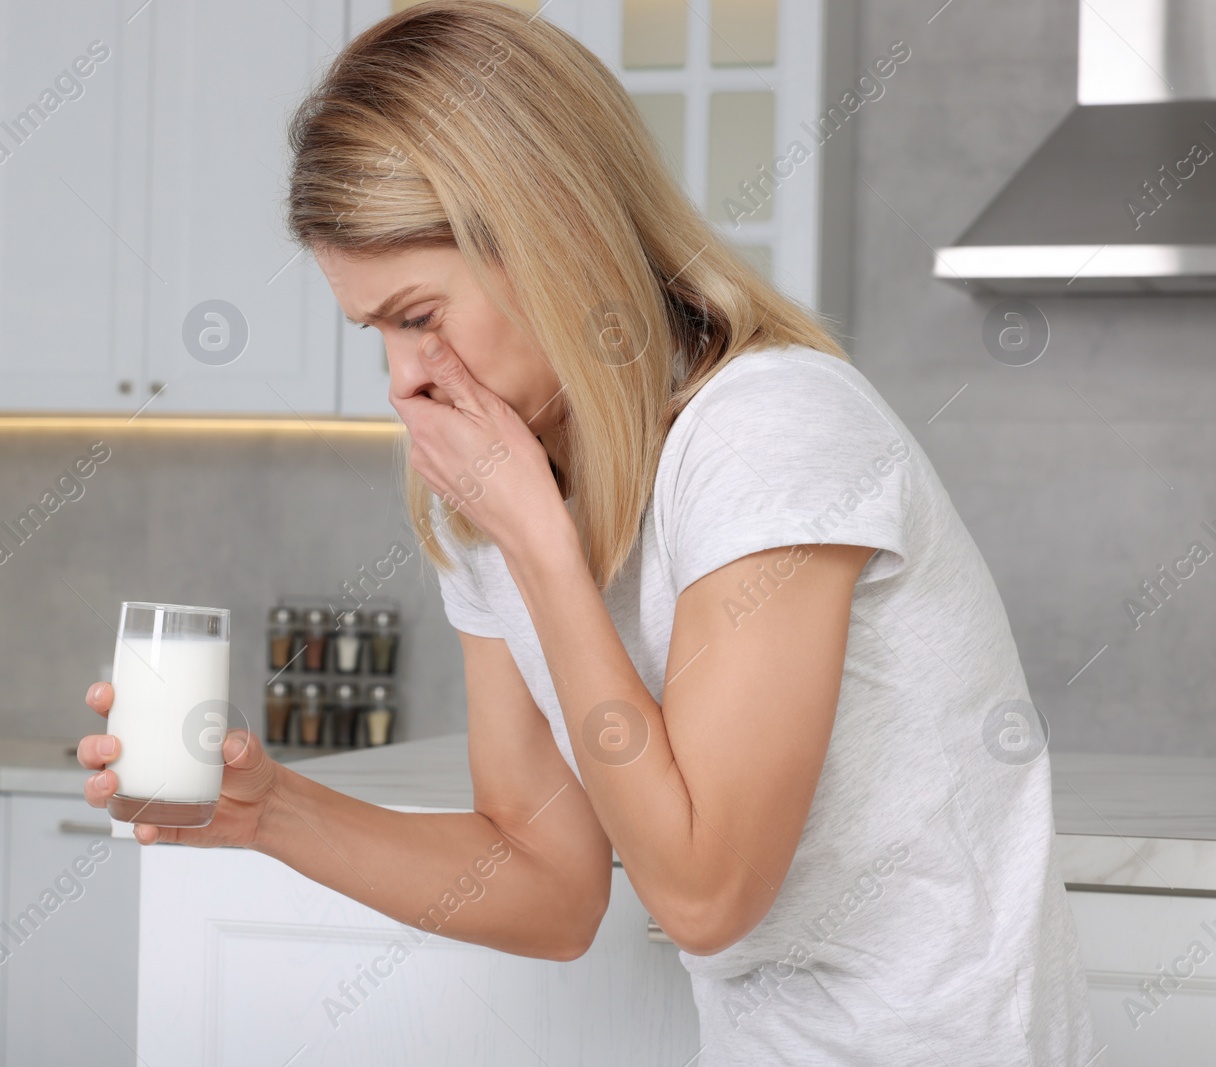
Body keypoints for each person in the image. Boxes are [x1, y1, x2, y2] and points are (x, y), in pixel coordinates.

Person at [77, 3, 1096, 1062]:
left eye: (419, 315)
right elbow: (544, 883)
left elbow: (707, 894)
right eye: (373, 329)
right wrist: (270, 809)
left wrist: (541, 550)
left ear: (553, 235)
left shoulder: (770, 429)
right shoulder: (500, 490)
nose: (402, 377)